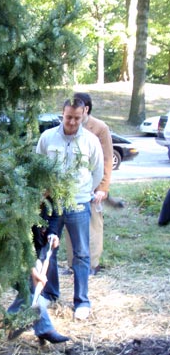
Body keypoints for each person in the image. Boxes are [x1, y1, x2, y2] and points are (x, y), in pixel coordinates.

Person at [36, 98, 103, 320]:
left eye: (77, 117)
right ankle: (50, 294)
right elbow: (39, 166)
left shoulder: (91, 141)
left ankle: (82, 301)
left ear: (83, 114)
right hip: (52, 205)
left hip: (78, 204)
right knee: (48, 250)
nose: (72, 122)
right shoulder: (47, 138)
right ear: (62, 115)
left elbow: (97, 172)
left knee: (81, 253)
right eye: (68, 117)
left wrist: (83, 193)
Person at [64, 92, 113, 276]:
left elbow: (107, 160)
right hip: (72, 189)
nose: (73, 118)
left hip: (93, 188)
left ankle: (92, 265)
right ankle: (72, 264)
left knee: (92, 226)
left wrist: (102, 188)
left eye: (78, 111)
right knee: (71, 228)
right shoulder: (68, 126)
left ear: (86, 109)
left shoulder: (100, 128)